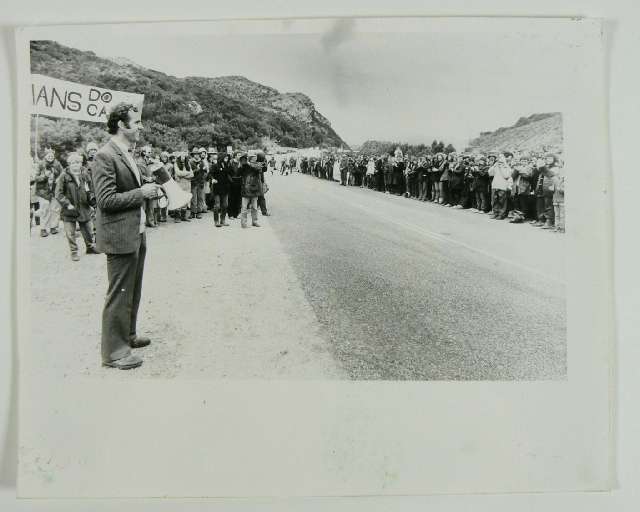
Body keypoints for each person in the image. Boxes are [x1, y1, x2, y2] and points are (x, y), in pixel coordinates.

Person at [92, 102, 161, 370]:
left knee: (132, 288)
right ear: (121, 124)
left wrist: (146, 189)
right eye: (137, 122)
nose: (141, 126)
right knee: (119, 293)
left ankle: (128, 335)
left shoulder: (126, 153)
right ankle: (114, 353)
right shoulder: (105, 155)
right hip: (120, 234)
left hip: (134, 231)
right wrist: (141, 193)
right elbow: (105, 200)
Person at [54, 152, 99, 261]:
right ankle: (74, 252)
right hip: (69, 210)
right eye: (73, 163)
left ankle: (90, 247)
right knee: (70, 233)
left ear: (81, 163)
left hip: (84, 208)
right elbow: (58, 194)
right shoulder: (64, 176)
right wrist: (67, 204)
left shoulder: (85, 175)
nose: (75, 165)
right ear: (69, 164)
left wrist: (93, 203)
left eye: (78, 162)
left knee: (88, 230)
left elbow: (90, 191)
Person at [33, 148, 63, 237]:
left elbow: (63, 173)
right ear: (45, 156)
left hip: (54, 190)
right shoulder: (41, 164)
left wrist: (59, 179)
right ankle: (43, 229)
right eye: (48, 155)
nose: (50, 157)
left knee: (55, 209)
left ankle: (53, 227)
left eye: (52, 155)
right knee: (44, 209)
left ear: (54, 156)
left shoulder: (57, 164)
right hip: (43, 191)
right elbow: (36, 178)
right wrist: (44, 176)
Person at [239, 153, 262, 228]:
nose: (256, 160)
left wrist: (249, 163)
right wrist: (242, 164)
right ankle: (243, 223)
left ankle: (254, 221)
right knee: (244, 208)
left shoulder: (257, 165)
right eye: (254, 158)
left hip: (254, 189)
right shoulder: (245, 166)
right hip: (246, 190)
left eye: (256, 158)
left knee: (255, 207)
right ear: (250, 159)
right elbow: (238, 173)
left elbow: (258, 169)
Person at [488, 152, 513, 220]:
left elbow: (506, 175)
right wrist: (493, 166)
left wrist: (502, 166)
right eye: (499, 157)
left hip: (502, 186)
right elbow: (490, 173)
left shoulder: (507, 166)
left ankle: (501, 214)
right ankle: (495, 213)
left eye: (501, 157)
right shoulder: (496, 165)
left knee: (502, 201)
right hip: (495, 185)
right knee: (494, 200)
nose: (500, 159)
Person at [211, 153, 232, 227]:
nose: (227, 159)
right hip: (217, 188)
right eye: (225, 158)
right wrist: (212, 179)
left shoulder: (227, 165)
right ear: (221, 158)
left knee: (225, 205)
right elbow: (210, 174)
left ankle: (223, 220)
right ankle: (216, 221)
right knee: (217, 205)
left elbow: (230, 173)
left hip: (225, 188)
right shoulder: (215, 166)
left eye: (227, 158)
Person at [174, 152, 193, 222]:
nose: (183, 158)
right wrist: (187, 174)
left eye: (184, 156)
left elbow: (192, 174)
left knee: (185, 200)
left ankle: (183, 216)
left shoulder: (188, 164)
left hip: (187, 185)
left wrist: (183, 175)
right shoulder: (176, 164)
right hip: (179, 185)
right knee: (179, 200)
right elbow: (178, 173)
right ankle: (177, 217)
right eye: (182, 156)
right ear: (179, 157)